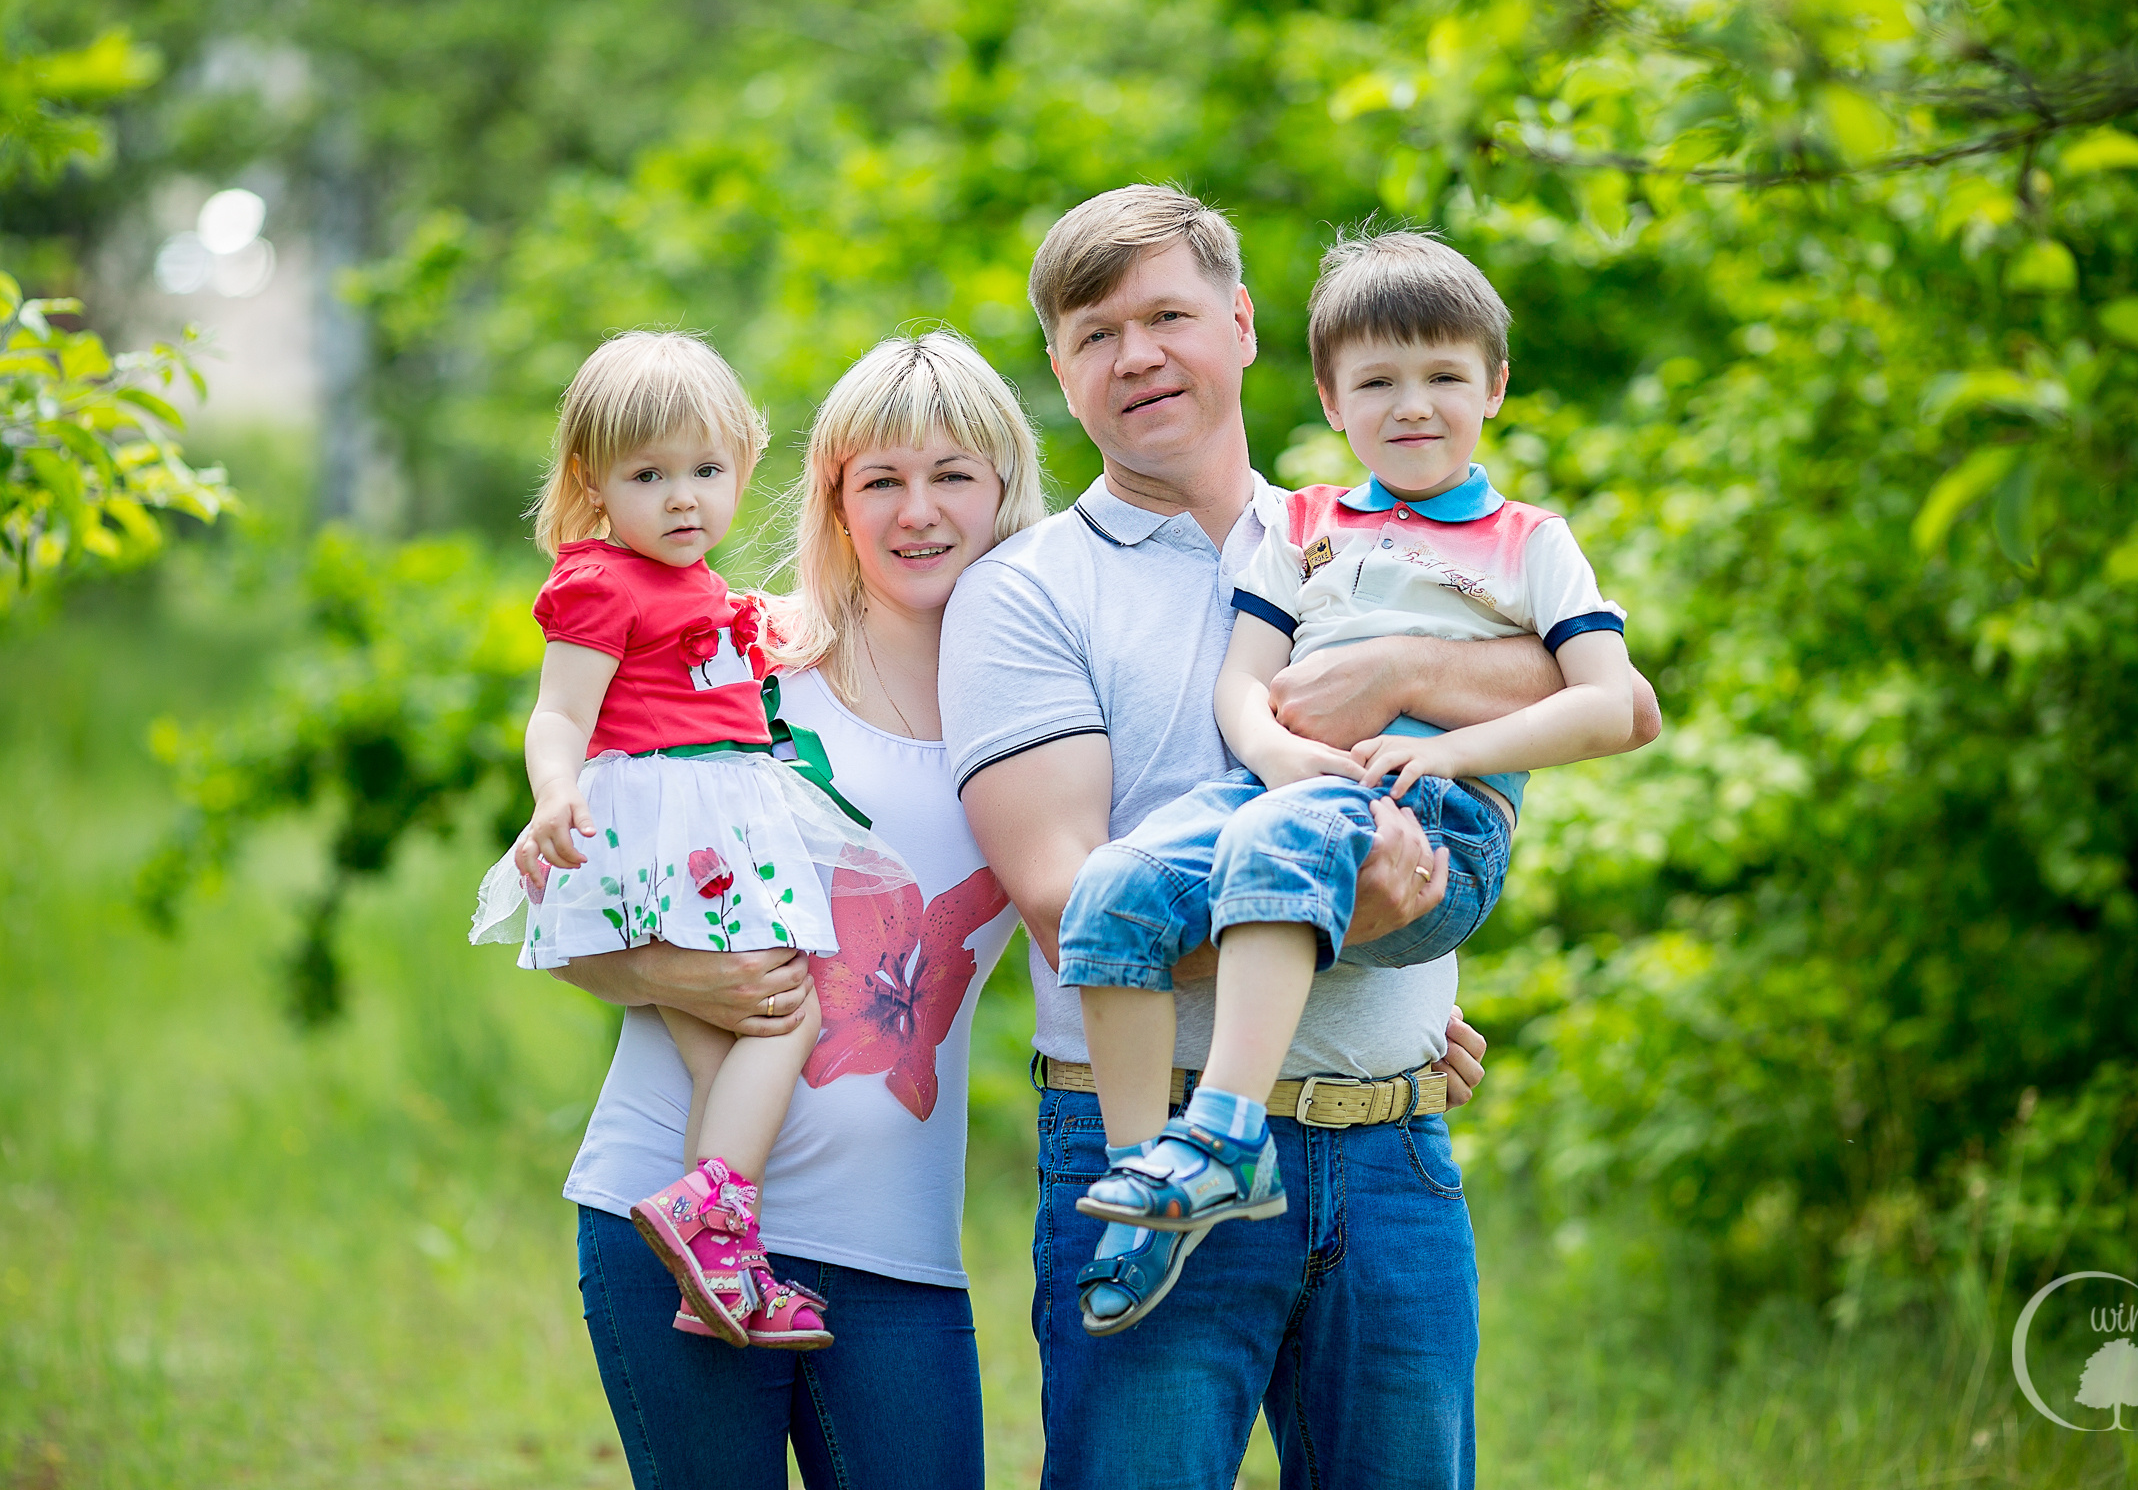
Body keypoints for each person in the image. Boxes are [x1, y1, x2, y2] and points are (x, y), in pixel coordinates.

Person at [943, 185, 1660, 1489]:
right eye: (1097, 333)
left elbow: (1609, 697)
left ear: (1246, 323)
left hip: (1391, 1148)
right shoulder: (1026, 593)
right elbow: (1065, 907)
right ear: (1057, 366)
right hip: (1144, 1141)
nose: (1140, 353)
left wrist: (1395, 670)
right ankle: (1187, 1173)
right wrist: (1354, 930)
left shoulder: (1363, 532)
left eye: (1169, 314)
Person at [1057, 228, 1643, 1327]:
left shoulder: (1531, 542)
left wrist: (1448, 747)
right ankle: (1147, 1193)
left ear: (1495, 386)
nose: (1411, 405)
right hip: (1291, 791)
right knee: (1112, 890)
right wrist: (1277, 753)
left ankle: (1224, 1133)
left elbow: (1615, 703)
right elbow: (1246, 684)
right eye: (1377, 380)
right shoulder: (1305, 525)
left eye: (1442, 378)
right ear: (1330, 396)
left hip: (1438, 821)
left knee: (1285, 837)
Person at [522, 330, 1045, 1486]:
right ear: (833, 497)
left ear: (1006, 486)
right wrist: (667, 975)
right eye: (881, 480)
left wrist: (1357, 997)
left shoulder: (1048, 706)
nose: (919, 512)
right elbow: (571, 912)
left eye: (953, 474)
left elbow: (1126, 905)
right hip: (667, 1222)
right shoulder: (738, 659)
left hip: (898, 1245)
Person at [469, 330, 914, 1351]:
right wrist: (552, 794)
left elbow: (742, 649)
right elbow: (558, 715)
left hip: (710, 815)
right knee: (783, 1011)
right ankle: (709, 1210)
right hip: (672, 825)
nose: (683, 499)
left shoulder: (705, 589)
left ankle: (721, 1255)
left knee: (730, 1043)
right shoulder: (600, 582)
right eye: (650, 474)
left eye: (707, 471)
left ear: (744, 464)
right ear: (591, 481)